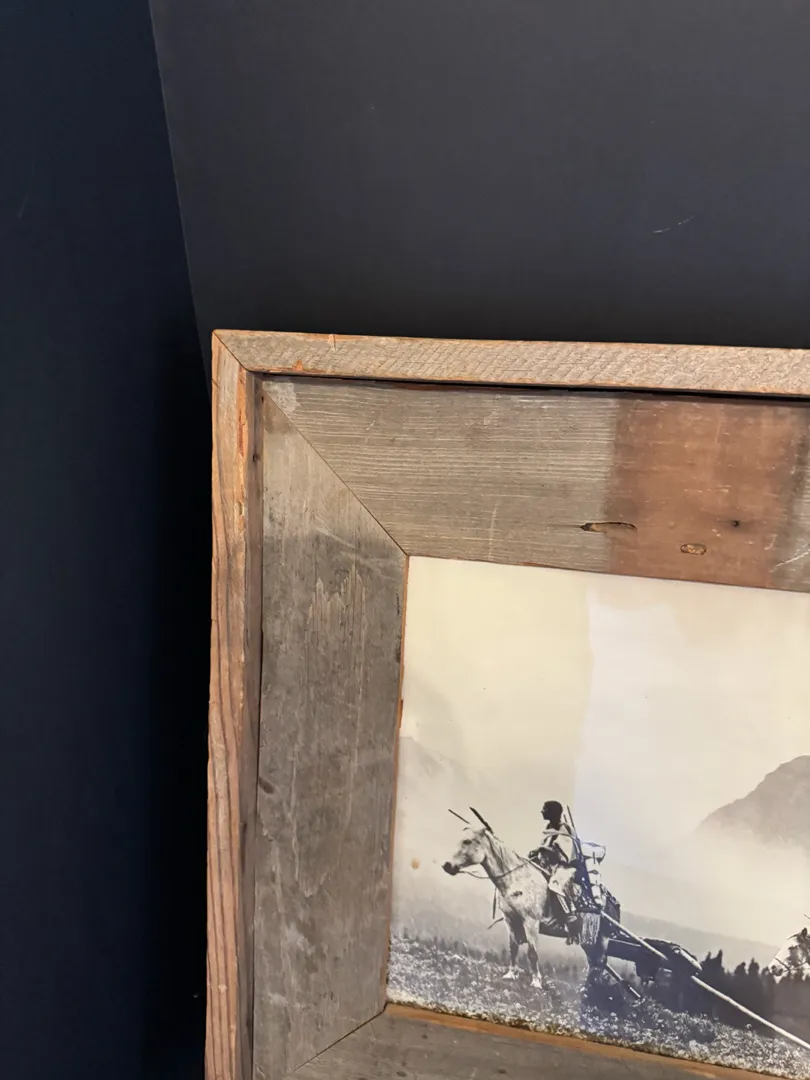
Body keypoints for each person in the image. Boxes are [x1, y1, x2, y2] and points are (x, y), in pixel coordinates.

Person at [528, 800, 580, 943]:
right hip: (549, 866)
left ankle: (570, 917)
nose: (542, 811)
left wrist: (542, 850)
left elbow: (564, 854)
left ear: (552, 812)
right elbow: (545, 848)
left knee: (555, 884)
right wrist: (536, 854)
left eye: (544, 809)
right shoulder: (548, 828)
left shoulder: (565, 830)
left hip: (565, 867)